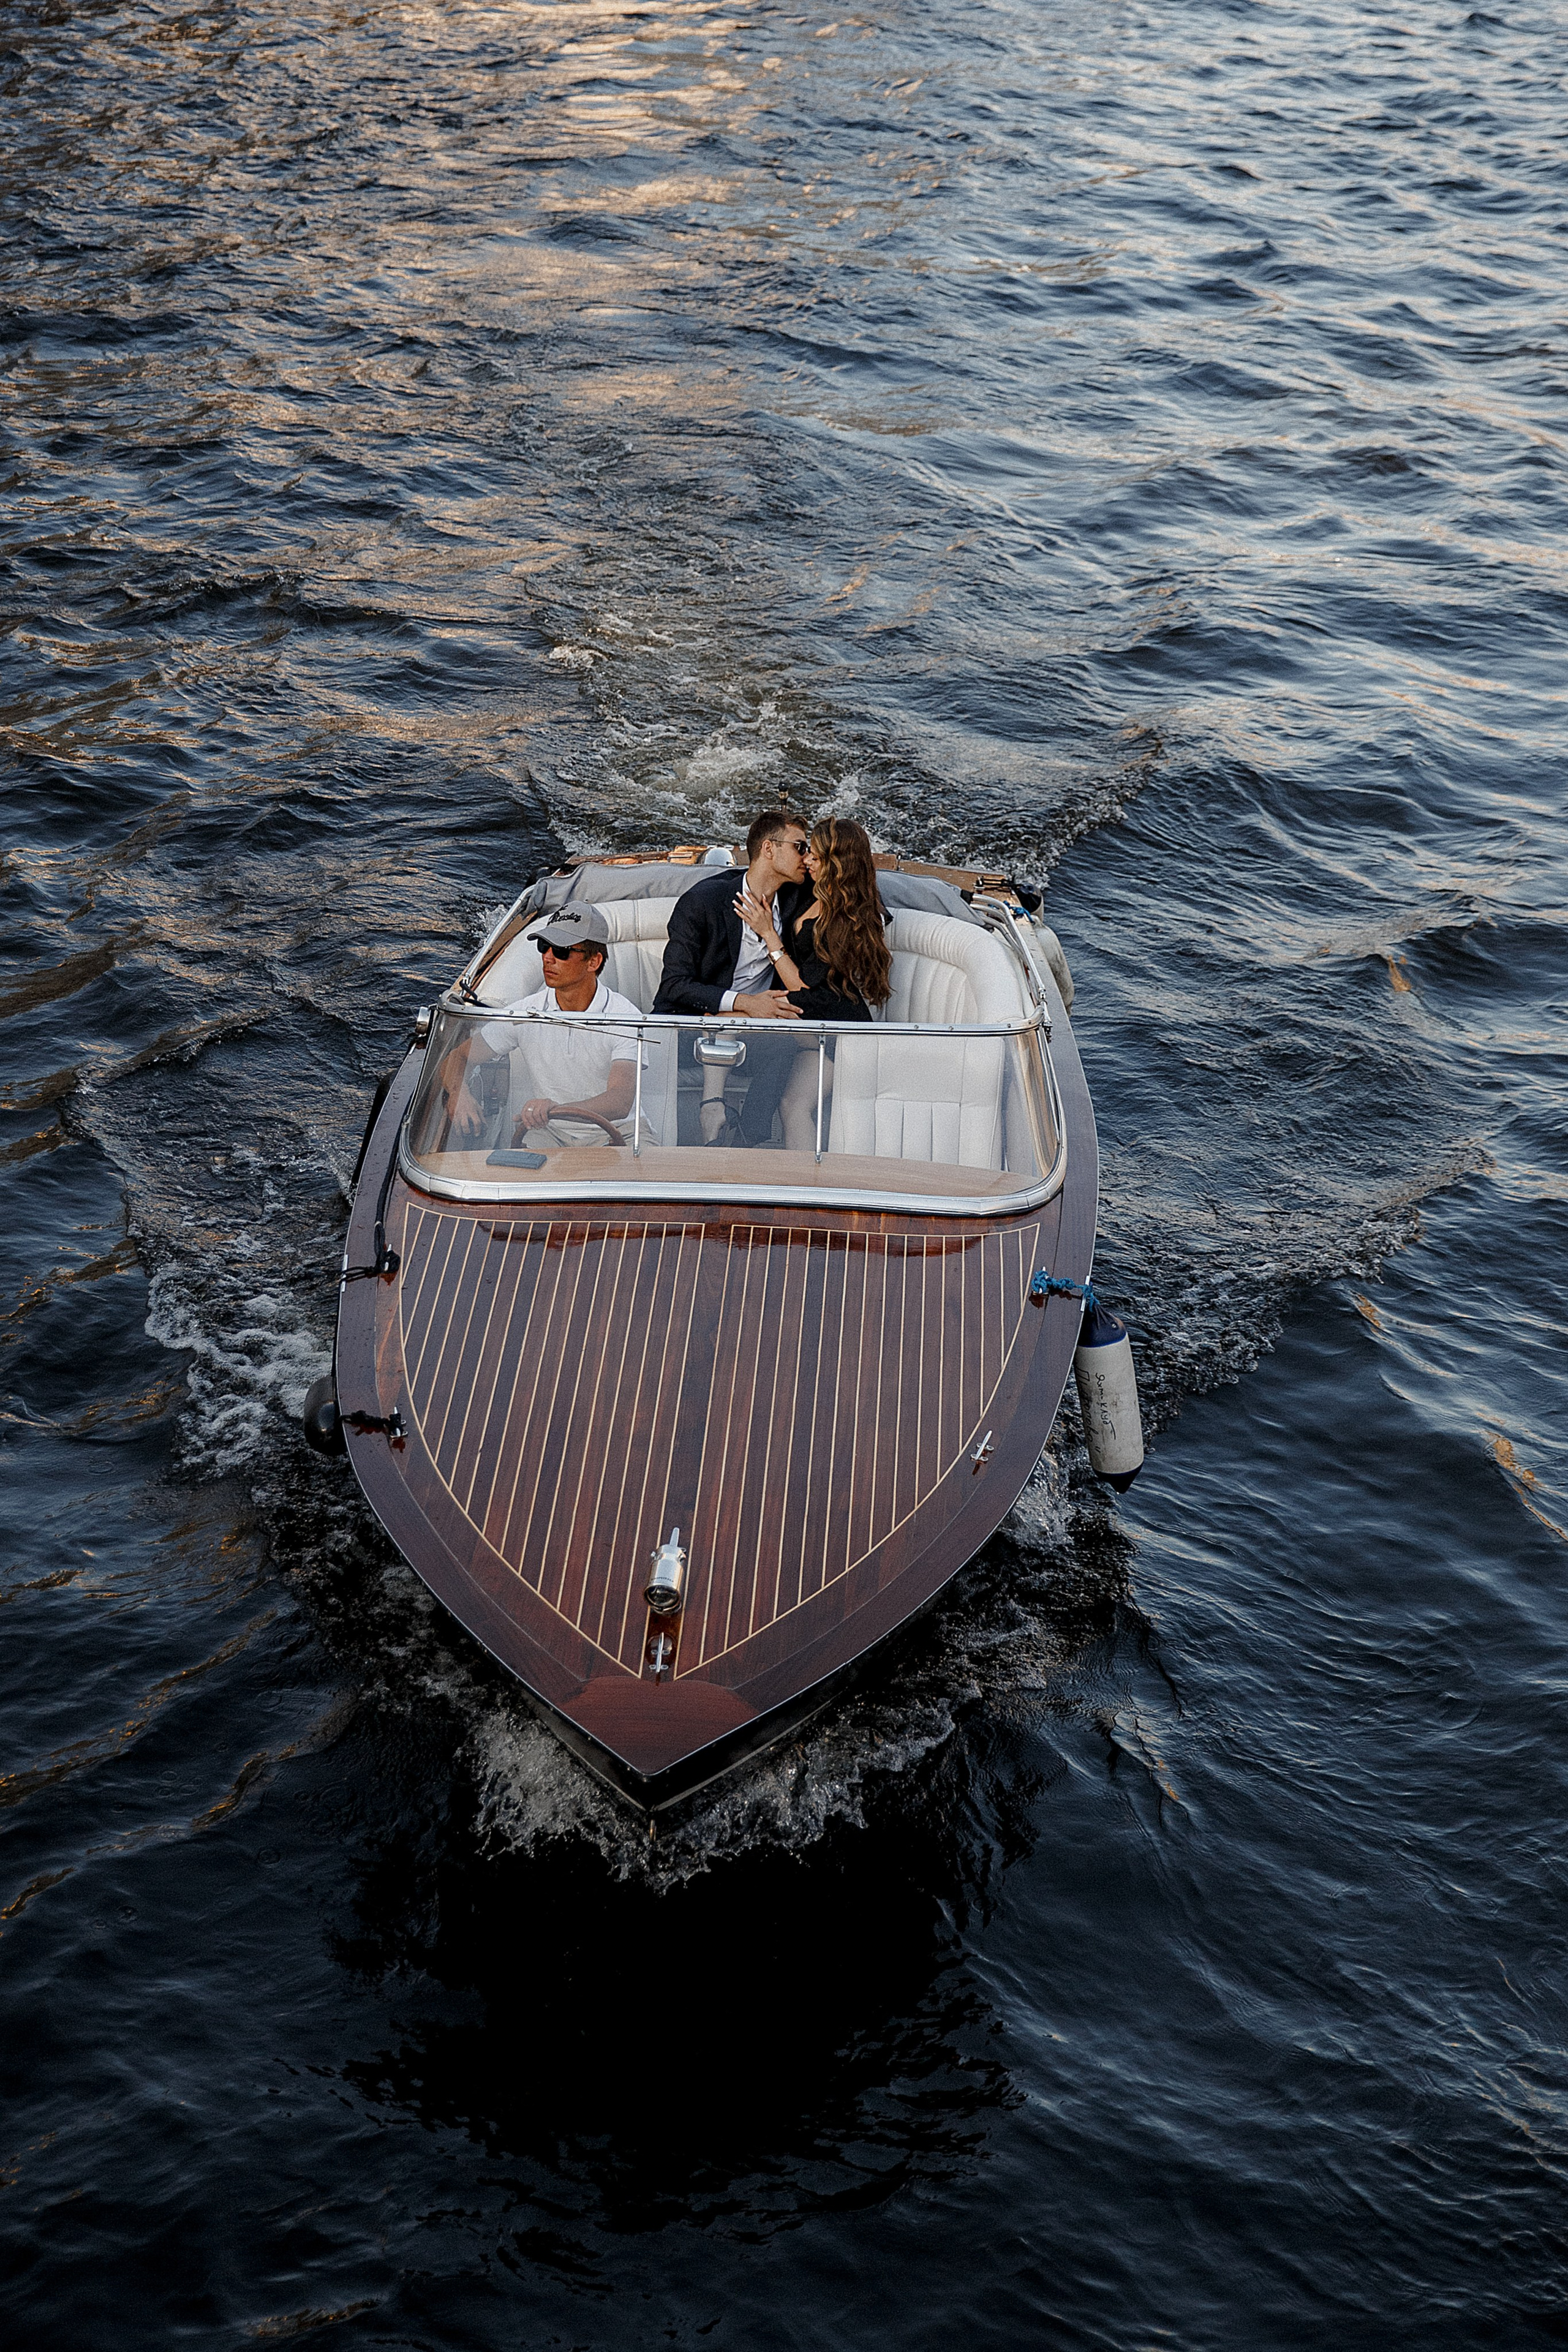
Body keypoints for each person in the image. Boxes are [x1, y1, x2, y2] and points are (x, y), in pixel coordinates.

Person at [652, 809, 812, 1145]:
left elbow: (855, 887)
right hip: (687, 1031)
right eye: (800, 847)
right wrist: (746, 1004)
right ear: (769, 849)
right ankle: (713, 1112)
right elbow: (674, 986)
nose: (807, 856)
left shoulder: (798, 898)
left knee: (786, 1045)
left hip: (754, 1032)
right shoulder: (702, 902)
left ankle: (745, 1138)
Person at [734, 816, 893, 1150]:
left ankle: (742, 1133)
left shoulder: (848, 919)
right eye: (807, 852)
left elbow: (802, 987)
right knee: (792, 1107)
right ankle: (797, 1180)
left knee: (740, 1023)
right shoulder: (813, 893)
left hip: (839, 1029)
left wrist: (769, 936)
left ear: (839, 865)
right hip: (811, 1021)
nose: (807, 860)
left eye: (817, 858)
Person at [432, 905, 644, 1153]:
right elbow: (458, 1057)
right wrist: (460, 1094)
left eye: (562, 951)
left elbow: (620, 1101)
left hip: (621, 1130)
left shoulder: (626, 1016)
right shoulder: (525, 1013)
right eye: (544, 947)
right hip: (549, 1132)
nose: (547, 957)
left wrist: (555, 1109)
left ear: (594, 962)